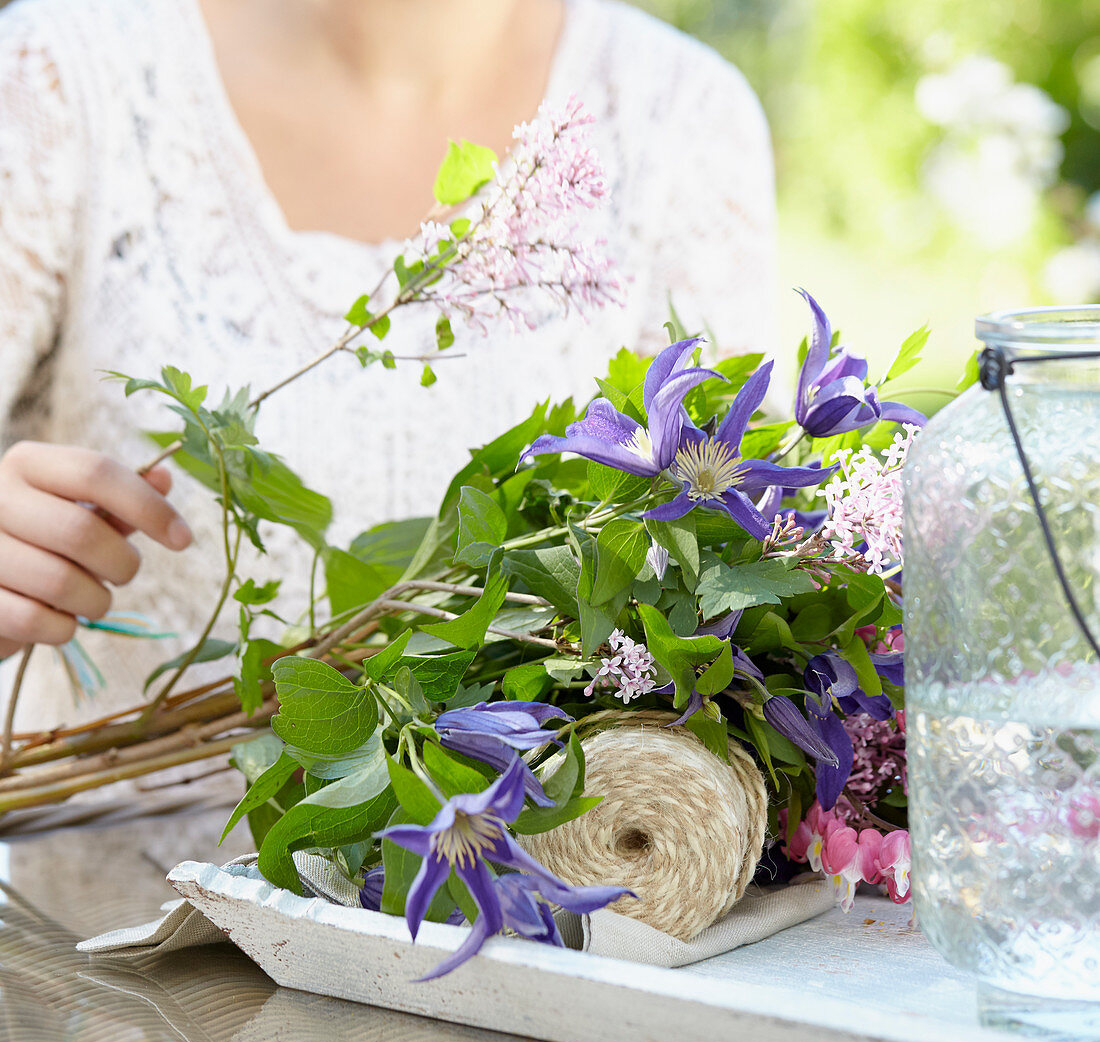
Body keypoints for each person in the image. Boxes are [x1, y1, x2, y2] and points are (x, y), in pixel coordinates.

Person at [0, 0, 776, 733]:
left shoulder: (682, 118)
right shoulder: (56, 80)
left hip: (556, 871)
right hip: (123, 873)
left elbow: (721, 605)